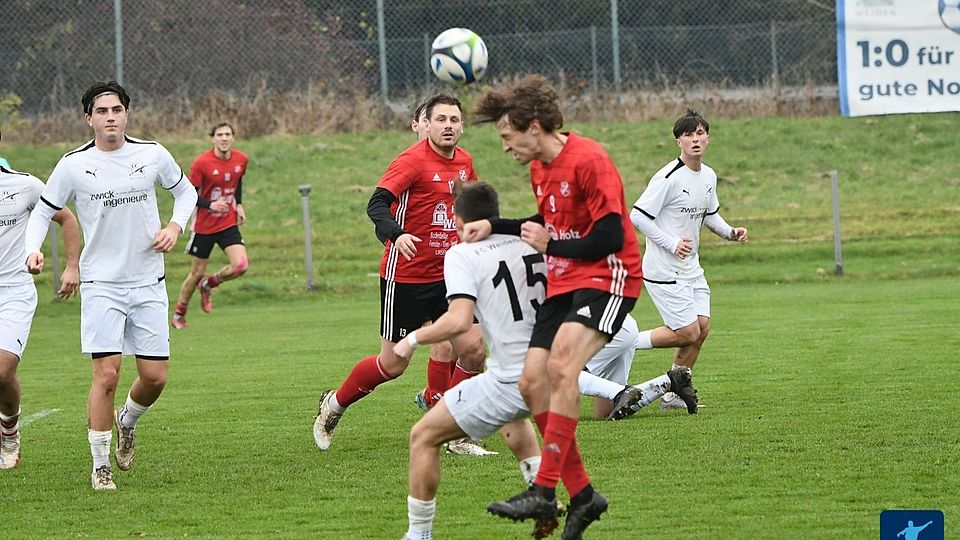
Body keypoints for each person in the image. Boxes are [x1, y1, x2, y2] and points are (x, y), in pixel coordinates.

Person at [465, 75, 697, 539]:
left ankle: (545, 490)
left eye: (508, 138)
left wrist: (551, 243)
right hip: (567, 280)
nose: (506, 149)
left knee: (562, 366)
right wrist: (496, 224)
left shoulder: (589, 160)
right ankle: (584, 496)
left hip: (610, 278)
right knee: (530, 381)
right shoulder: (538, 168)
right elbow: (548, 224)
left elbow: (610, 236)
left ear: (533, 127)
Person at [394, 183, 662, 540]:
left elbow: (459, 320)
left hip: (513, 376)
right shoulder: (532, 241)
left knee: (423, 437)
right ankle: (543, 493)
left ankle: (418, 535)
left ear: (458, 220)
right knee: (512, 420)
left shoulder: (461, 254)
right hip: (550, 365)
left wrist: (413, 339)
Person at [24, 81, 198, 490]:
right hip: (101, 284)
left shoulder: (152, 154)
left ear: (126, 114)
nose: (110, 117)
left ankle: (128, 421)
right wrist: (32, 249)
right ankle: (100, 465)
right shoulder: (72, 165)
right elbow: (42, 212)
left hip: (148, 282)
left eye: (117, 110)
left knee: (155, 377)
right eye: (102, 111)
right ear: (89, 119)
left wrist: (175, 225)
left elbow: (186, 193)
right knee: (106, 374)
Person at [313, 94, 486, 453]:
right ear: (428, 124)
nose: (448, 126)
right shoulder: (411, 161)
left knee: (472, 349)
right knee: (393, 364)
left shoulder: (466, 162)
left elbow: (468, 207)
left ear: (462, 126)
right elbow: (376, 204)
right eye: (441, 119)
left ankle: (454, 431)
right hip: (405, 277)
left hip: (449, 276)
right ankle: (334, 404)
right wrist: (397, 233)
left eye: (454, 120)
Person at [629, 109, 748, 409]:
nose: (694, 139)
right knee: (687, 332)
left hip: (691, 269)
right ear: (678, 141)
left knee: (702, 328)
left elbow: (710, 215)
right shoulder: (667, 178)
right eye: (687, 135)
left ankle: (671, 395)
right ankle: (621, 343)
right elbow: (638, 217)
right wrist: (670, 243)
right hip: (663, 270)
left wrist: (731, 232)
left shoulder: (708, 175)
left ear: (708, 138)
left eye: (699, 133)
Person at [0, 131, 81, 470]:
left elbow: (65, 218)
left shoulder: (24, 185)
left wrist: (71, 266)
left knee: (2, 372)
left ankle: (9, 431)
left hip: (14, 291)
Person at [171, 122, 249, 329]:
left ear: (233, 138)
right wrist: (210, 204)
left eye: (228, 134)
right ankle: (179, 313)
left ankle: (208, 284)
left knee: (241, 266)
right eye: (220, 134)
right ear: (212, 138)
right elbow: (188, 194)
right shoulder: (202, 163)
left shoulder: (241, 159)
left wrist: (238, 204)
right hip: (204, 227)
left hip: (227, 223)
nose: (224, 138)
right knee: (196, 272)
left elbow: (237, 181)